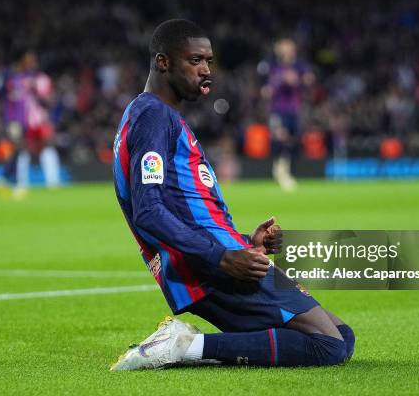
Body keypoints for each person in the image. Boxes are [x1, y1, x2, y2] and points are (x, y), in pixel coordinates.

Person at [110, 19, 354, 370]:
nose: (206, 71)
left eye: (209, 61)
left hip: (217, 256)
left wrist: (245, 242)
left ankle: (191, 348)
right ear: (163, 62)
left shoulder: (149, 114)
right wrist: (221, 257)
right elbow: (149, 210)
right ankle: (182, 346)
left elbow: (185, 206)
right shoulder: (153, 116)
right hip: (211, 267)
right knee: (326, 346)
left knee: (342, 338)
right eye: (195, 61)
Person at [0, 50, 61, 199]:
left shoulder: (34, 80)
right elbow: (0, 95)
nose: (30, 64)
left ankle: (10, 181)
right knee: (21, 148)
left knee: (26, 149)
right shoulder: (13, 80)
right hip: (16, 121)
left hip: (30, 121)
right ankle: (10, 180)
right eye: (27, 61)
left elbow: (47, 101)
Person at [262, 38, 315, 192]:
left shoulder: (299, 66)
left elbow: (309, 79)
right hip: (278, 109)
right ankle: (281, 171)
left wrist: (299, 79)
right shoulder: (273, 66)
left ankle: (284, 169)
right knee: (281, 137)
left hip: (294, 109)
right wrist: (278, 81)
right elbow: (266, 89)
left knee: (292, 140)